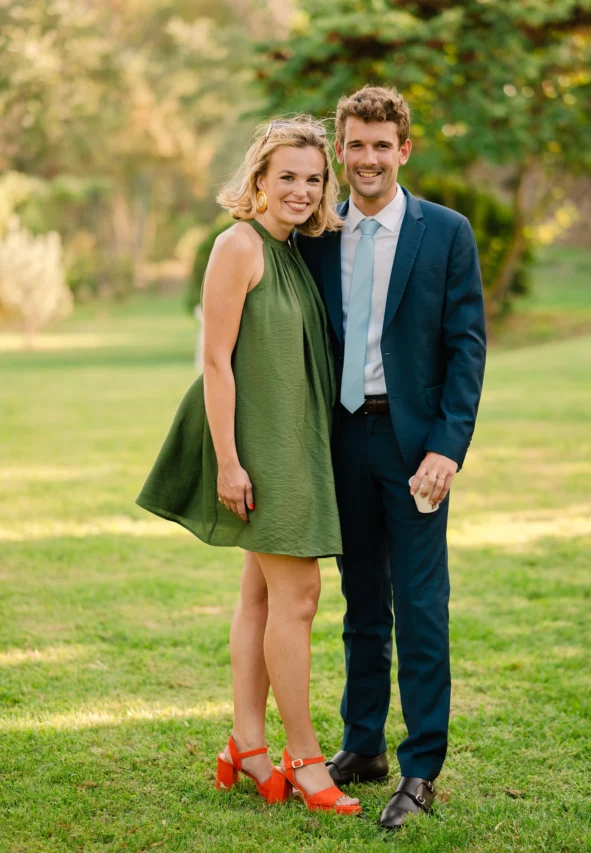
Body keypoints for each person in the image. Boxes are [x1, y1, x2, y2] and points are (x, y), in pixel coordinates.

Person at [135, 117, 361, 815]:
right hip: (260, 449)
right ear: (257, 179)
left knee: (261, 598)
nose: (300, 189)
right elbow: (215, 361)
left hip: (295, 442)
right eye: (286, 176)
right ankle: (304, 757)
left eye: (313, 178)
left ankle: (247, 743)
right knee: (299, 599)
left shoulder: (291, 250)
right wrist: (229, 462)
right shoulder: (238, 246)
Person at [297, 86, 487, 829]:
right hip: (341, 439)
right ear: (339, 152)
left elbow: (466, 345)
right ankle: (364, 743)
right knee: (361, 604)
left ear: (404, 149)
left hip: (415, 449)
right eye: (356, 144)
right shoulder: (316, 234)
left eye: (382, 144)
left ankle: (421, 766)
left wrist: (448, 445)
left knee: (420, 605)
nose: (368, 158)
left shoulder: (445, 233)